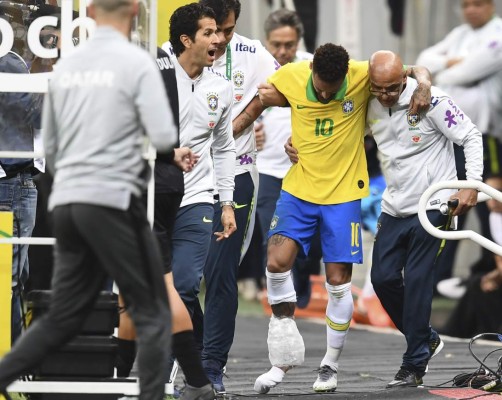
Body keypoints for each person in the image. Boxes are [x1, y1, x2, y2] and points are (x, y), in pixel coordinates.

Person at [0, 0, 179, 399]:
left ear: (92, 12)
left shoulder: (66, 68)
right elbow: (165, 137)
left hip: (67, 200)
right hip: (112, 198)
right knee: (151, 313)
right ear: (135, 9)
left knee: (61, 318)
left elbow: (52, 143)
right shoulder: (136, 64)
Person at [254, 43, 432, 394]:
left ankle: (329, 366)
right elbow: (262, 94)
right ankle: (282, 356)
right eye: (319, 86)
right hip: (299, 188)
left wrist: (424, 85)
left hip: (344, 194)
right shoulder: (292, 74)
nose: (324, 93)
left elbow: (411, 70)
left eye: (330, 90)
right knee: (276, 263)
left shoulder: (364, 75)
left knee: (337, 280)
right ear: (311, 72)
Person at [367, 50, 483, 387]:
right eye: (378, 89)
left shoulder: (431, 100)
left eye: (391, 88)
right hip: (394, 207)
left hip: (436, 205)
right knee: (383, 279)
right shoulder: (368, 99)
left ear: (404, 78)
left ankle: (414, 364)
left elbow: (471, 137)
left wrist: (470, 185)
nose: (385, 95)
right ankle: (427, 338)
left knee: (417, 280)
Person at [115, 37, 216, 400]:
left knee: (164, 287)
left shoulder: (126, 56)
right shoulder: (158, 56)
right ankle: (117, 378)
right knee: (130, 289)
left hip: (144, 184)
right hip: (164, 180)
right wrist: (169, 151)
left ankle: (199, 381)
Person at [192, 0, 279, 394]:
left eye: (228, 29)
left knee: (222, 275)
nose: (221, 39)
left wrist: (252, 110)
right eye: (213, 30)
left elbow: (292, 84)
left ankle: (212, 366)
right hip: (187, 178)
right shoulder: (175, 49)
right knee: (182, 275)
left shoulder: (252, 52)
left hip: (239, 174)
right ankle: (190, 356)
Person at [161, 2, 238, 392]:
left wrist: (226, 201)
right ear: (186, 40)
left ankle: (183, 371)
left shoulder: (221, 88)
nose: (219, 39)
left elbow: (224, 148)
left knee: (186, 285)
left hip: (197, 198)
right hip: (153, 197)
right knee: (154, 290)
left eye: (220, 32)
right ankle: (194, 365)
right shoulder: (155, 74)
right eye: (209, 33)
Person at [416, 0, 502, 287]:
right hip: (453, 138)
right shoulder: (460, 35)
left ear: (490, 6)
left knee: (487, 204)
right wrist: (448, 65)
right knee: (450, 205)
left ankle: (489, 272)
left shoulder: (498, 33)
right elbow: (424, 59)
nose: (471, 10)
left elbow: (467, 72)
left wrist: (443, 72)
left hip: (488, 136)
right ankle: (442, 278)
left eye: (477, 4)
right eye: (466, 5)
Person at [0, 46, 43, 345]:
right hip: (11, 180)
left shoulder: (9, 62)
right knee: (11, 280)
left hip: (12, 180)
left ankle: (15, 365)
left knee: (13, 279)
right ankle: (14, 368)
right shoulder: (9, 62)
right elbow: (37, 116)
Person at [440, 173, 502, 339]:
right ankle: (463, 332)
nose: (493, 199)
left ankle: (486, 335)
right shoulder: (494, 217)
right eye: (487, 194)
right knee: (478, 282)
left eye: (498, 192)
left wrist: (493, 277)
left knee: (480, 284)